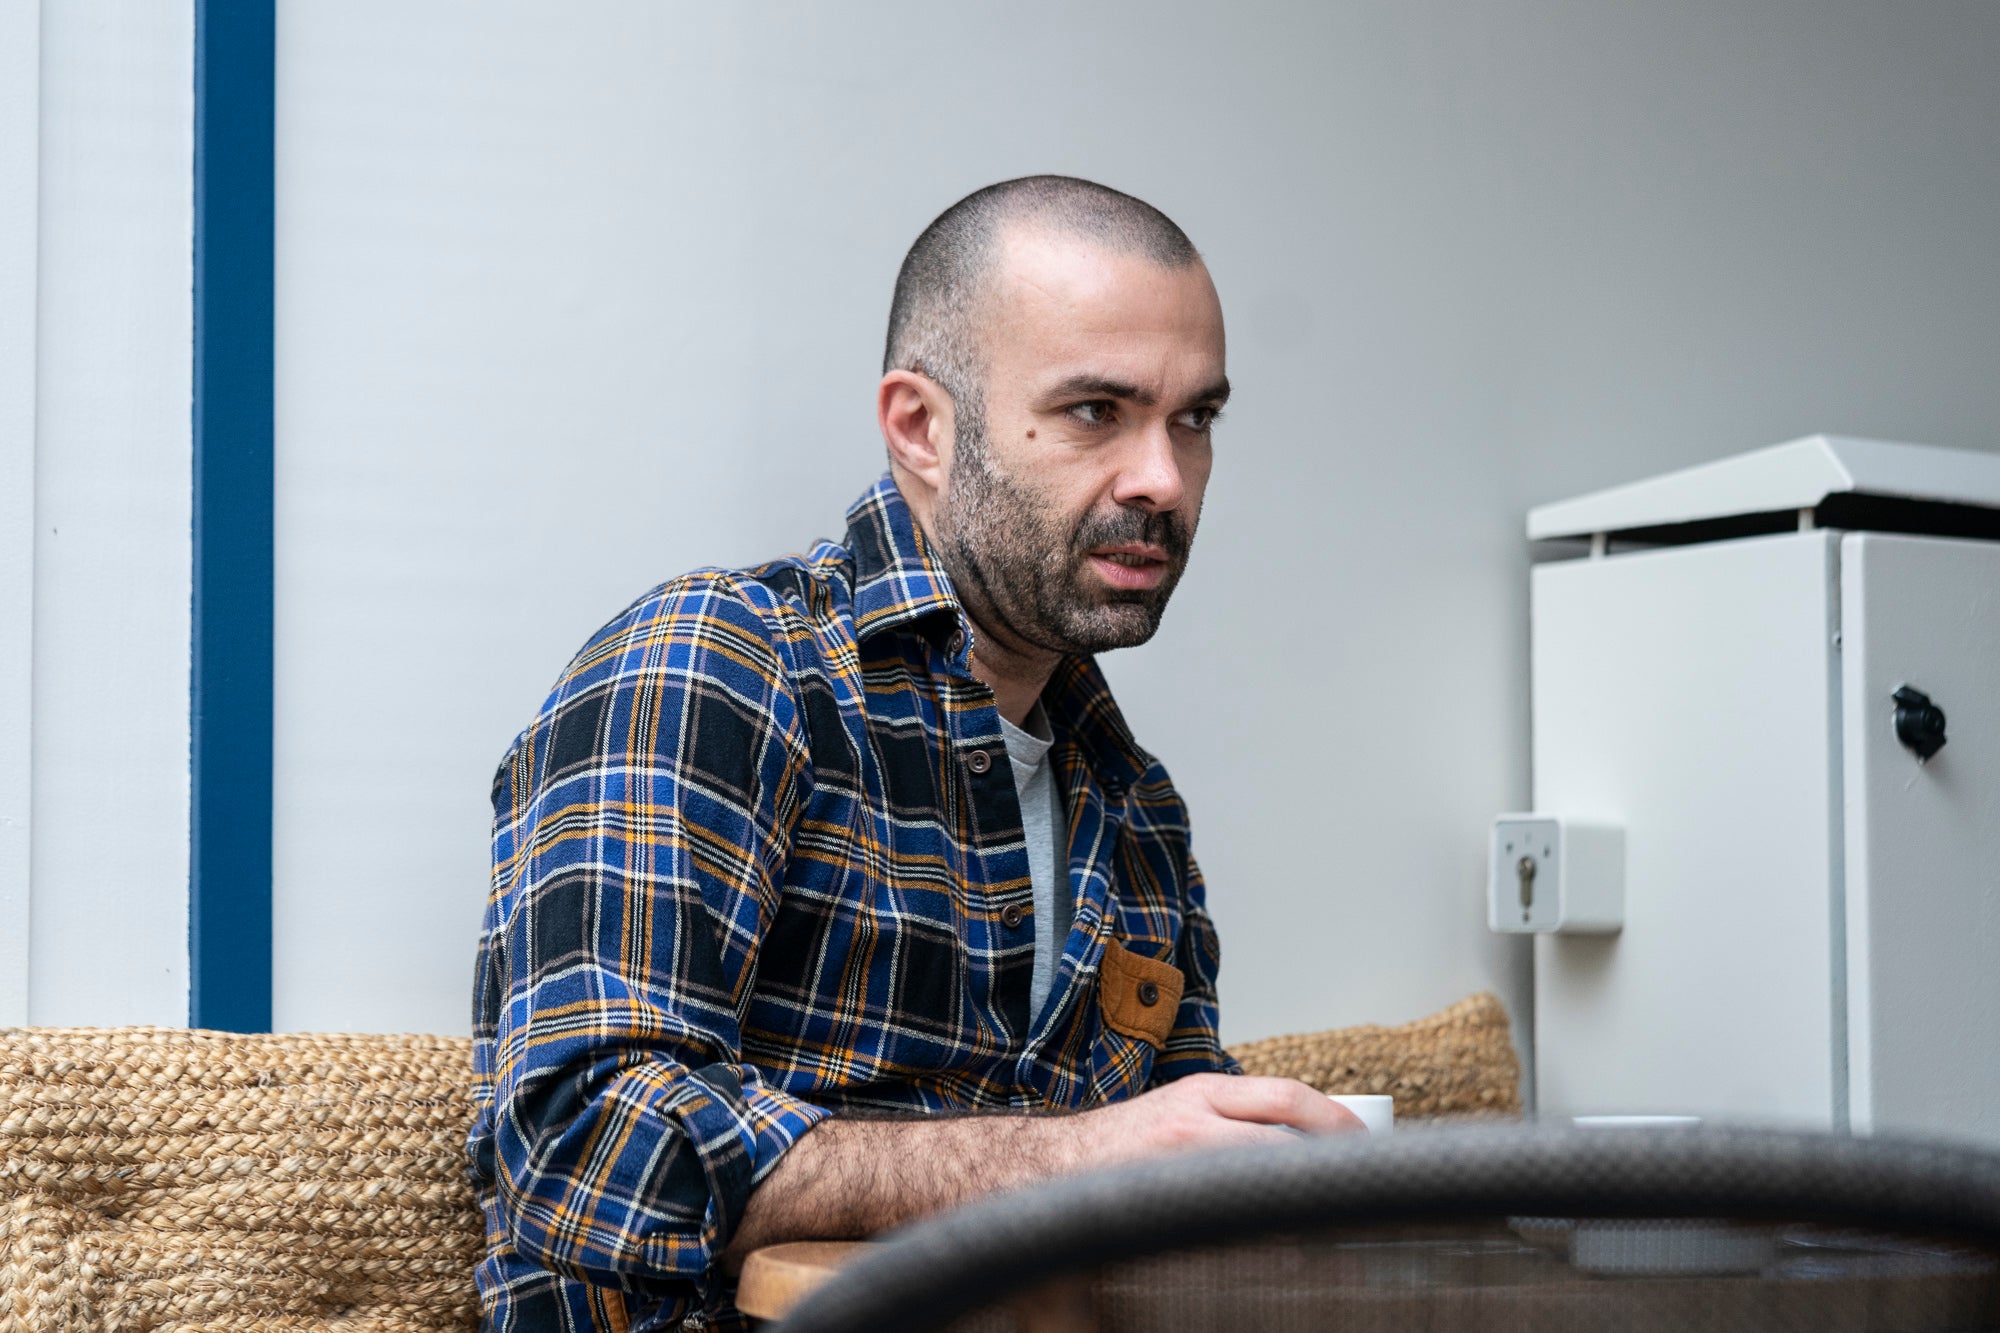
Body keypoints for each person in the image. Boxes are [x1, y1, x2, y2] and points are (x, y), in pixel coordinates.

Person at [467, 175, 1358, 1332]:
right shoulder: (721, 668)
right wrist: (1076, 1159)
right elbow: (584, 1141)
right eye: (1097, 409)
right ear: (921, 428)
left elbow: (1163, 1209)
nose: (1162, 477)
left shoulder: (1135, 810)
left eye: (1194, 417)